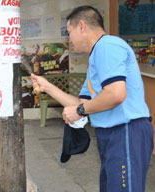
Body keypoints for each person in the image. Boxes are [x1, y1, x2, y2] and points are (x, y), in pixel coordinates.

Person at [31, 6, 153, 192]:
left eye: (69, 32)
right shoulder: (97, 55)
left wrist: (80, 111)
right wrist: (47, 86)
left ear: (82, 26)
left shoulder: (108, 46)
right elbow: (82, 104)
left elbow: (115, 94)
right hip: (112, 134)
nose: (69, 39)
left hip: (125, 132)